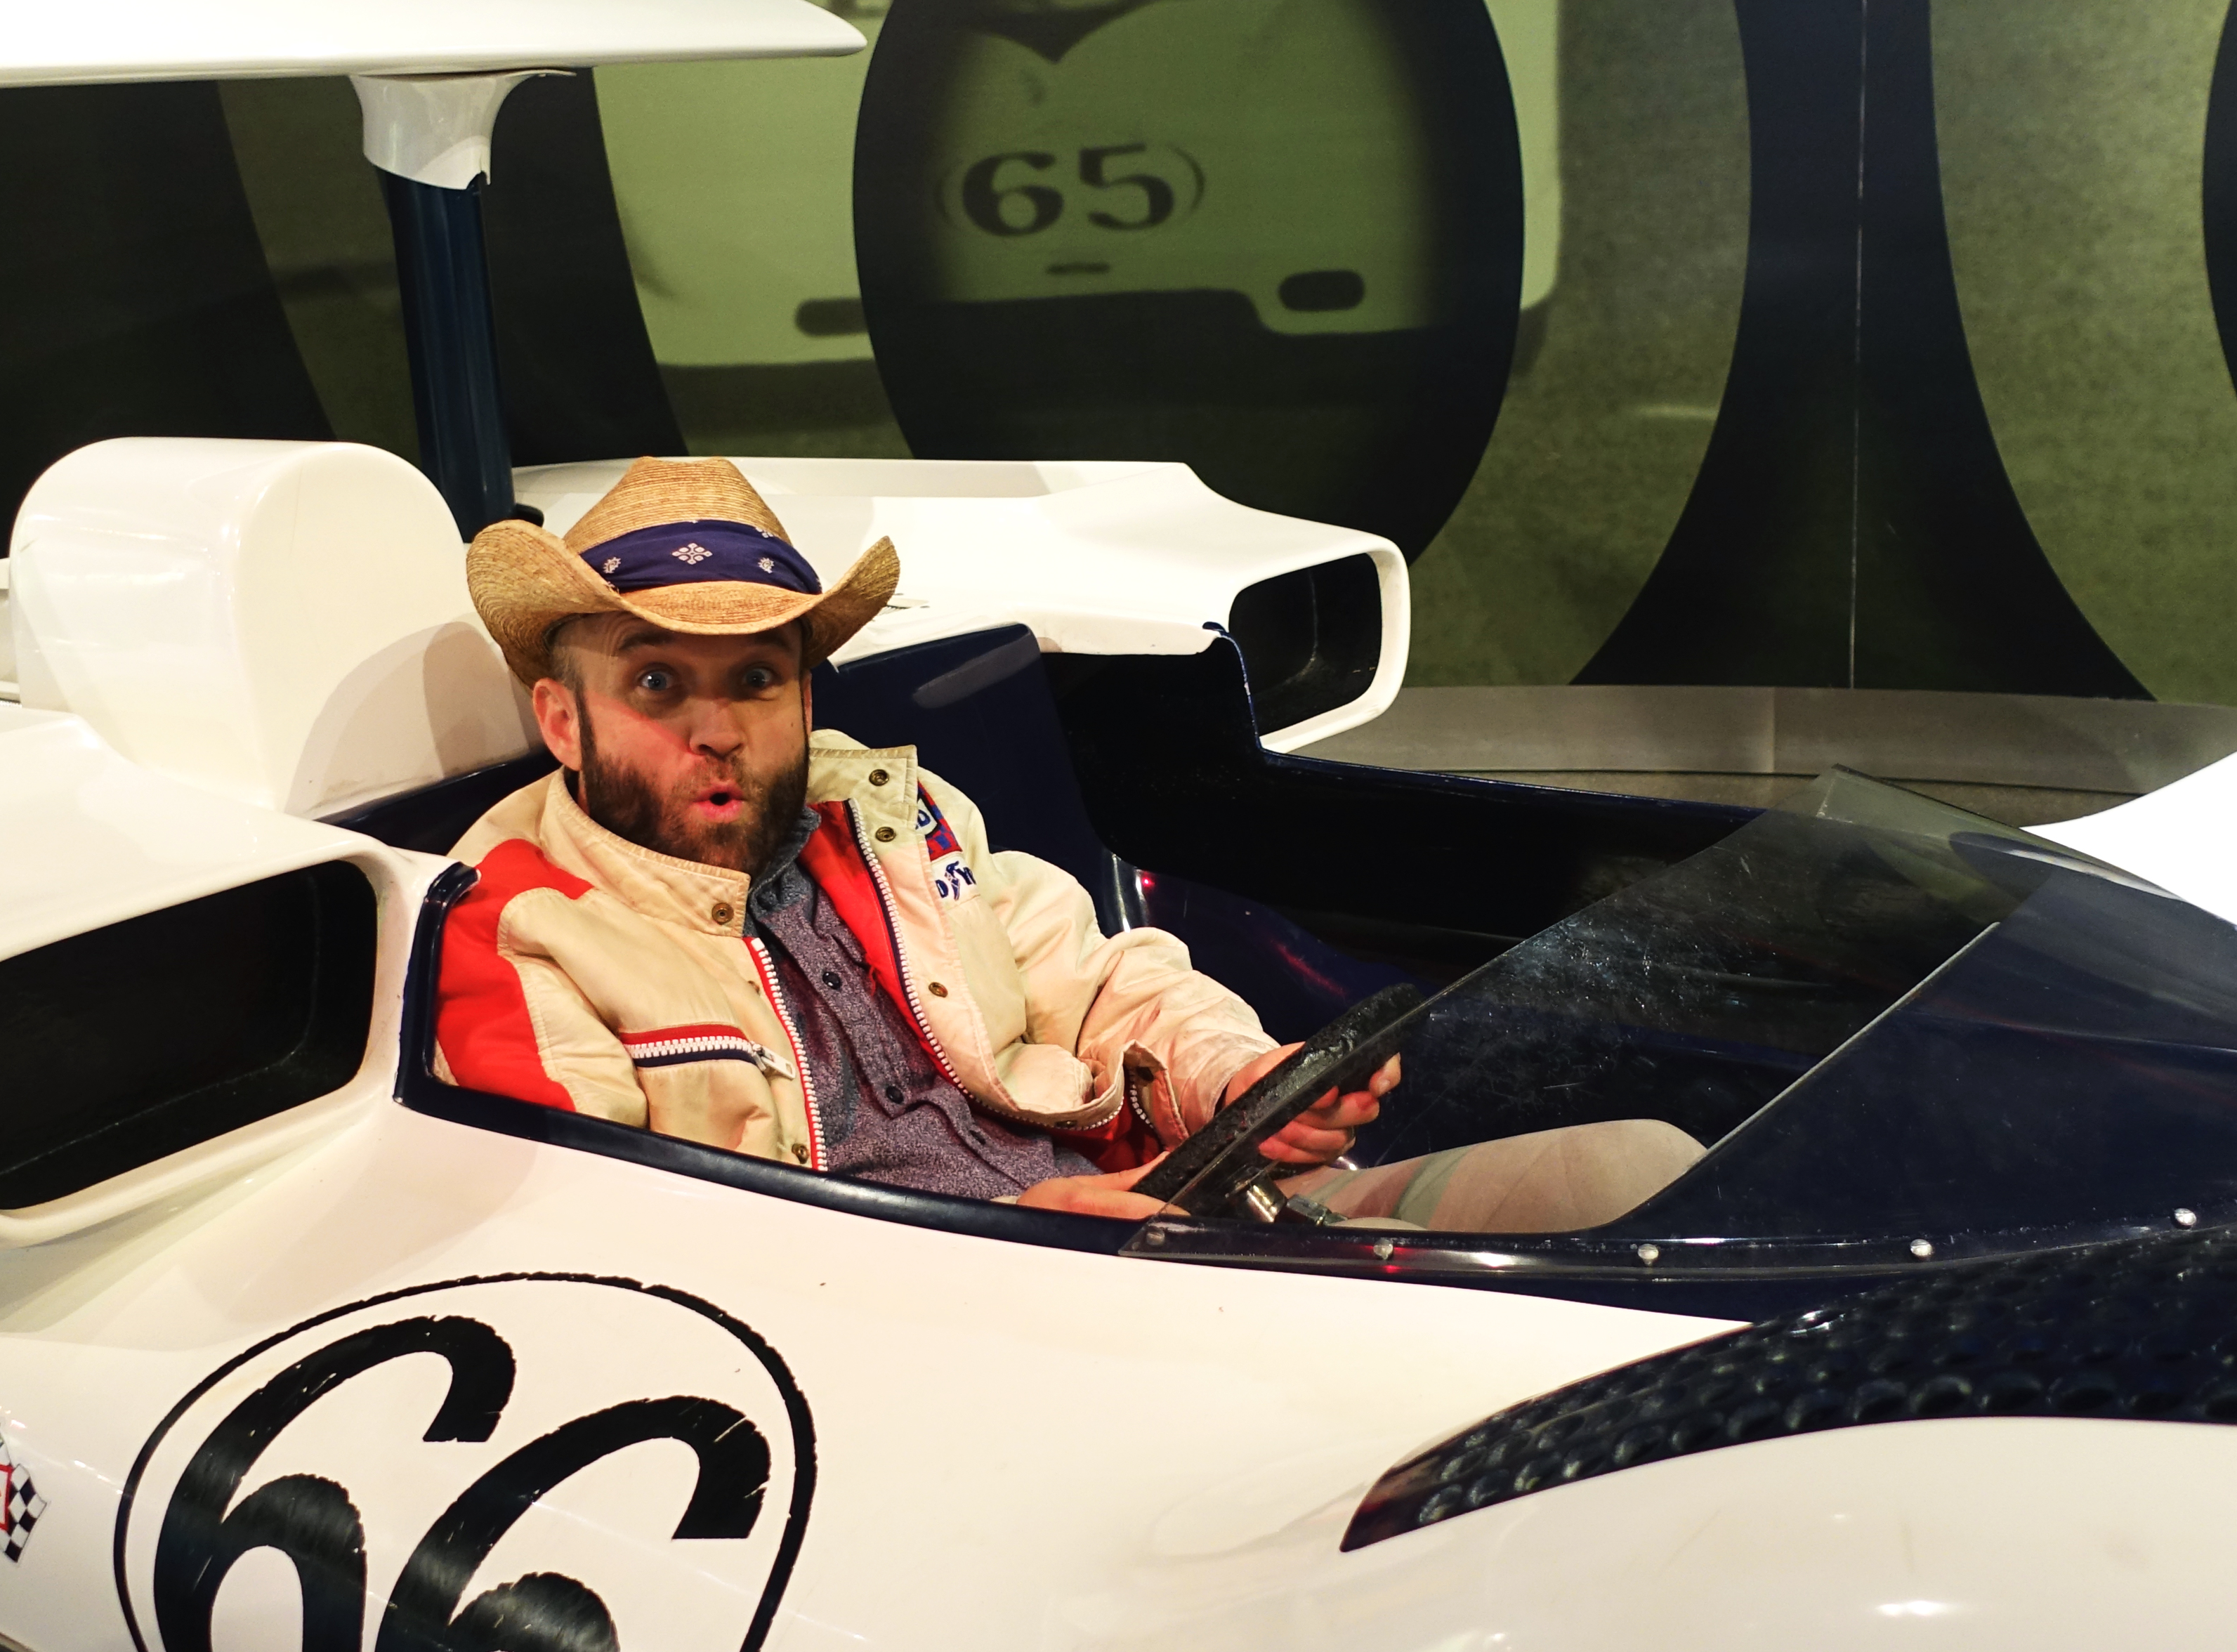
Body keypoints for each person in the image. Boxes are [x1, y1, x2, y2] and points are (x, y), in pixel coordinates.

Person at [436, 456, 1698, 1229]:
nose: (718, 730)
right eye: (658, 685)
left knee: (1638, 1167)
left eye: (757, 678)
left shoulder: (892, 815)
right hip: (947, 1338)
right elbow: (610, 1250)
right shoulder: (516, 925)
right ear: (562, 717)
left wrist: (1236, 1084)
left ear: (806, 696)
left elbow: (1097, 983)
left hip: (1155, 1221)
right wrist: (997, 1231)